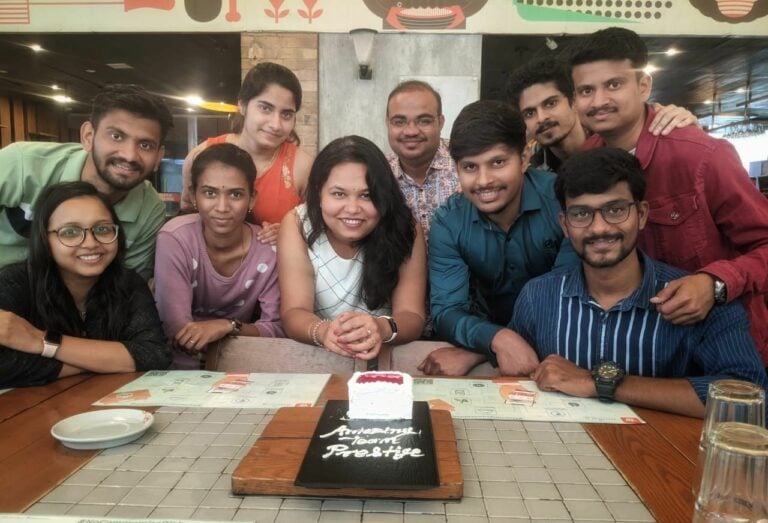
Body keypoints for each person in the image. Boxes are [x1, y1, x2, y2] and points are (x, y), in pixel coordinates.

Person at [511, 148, 767, 417]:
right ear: (564, 224)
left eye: (616, 210)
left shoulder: (697, 300)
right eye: (581, 214)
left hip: (663, 456)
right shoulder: (537, 297)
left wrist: (596, 383)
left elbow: (751, 400)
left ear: (642, 214)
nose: (599, 228)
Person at [569, 27, 768, 366]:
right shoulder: (586, 159)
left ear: (643, 85)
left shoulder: (702, 155)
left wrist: (715, 282)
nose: (599, 100)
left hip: (723, 350)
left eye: (613, 84)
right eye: (586, 90)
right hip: (642, 351)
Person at [423, 100, 579, 377]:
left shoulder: (562, 200)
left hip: (568, 345)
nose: (484, 180)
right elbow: (447, 312)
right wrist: (498, 340)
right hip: (494, 341)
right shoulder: (449, 221)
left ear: (524, 158)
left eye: (497, 162)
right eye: (470, 167)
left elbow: (566, 301)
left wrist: (478, 350)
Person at [0, 182, 172, 388]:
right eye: (70, 232)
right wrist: (105, 362)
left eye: (102, 229)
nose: (90, 242)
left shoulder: (128, 283)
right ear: (44, 238)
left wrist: (40, 340)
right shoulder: (13, 283)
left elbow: (155, 355)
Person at [0, 84, 172, 281]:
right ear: (88, 136)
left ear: (159, 156)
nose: (129, 155)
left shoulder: (149, 210)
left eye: (145, 145)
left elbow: (125, 286)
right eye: (116, 136)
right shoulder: (21, 164)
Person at [278, 135, 426, 361]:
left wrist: (380, 328)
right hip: (316, 357)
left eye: (367, 195)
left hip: (385, 357)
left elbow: (412, 315)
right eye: (339, 194)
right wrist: (325, 332)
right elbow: (294, 312)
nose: (353, 208)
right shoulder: (298, 223)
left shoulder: (405, 227)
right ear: (319, 193)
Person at [154, 143, 283, 370]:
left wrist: (226, 326)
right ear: (194, 195)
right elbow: (176, 331)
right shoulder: (175, 239)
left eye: (235, 194)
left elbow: (276, 328)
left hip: (238, 365)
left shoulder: (268, 250)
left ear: (252, 198)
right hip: (174, 369)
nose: (222, 207)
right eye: (210, 193)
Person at [179, 62, 314, 246]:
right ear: (242, 105)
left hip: (278, 270)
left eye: (287, 114)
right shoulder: (201, 156)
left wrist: (292, 232)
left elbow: (318, 229)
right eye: (265, 108)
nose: (276, 124)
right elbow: (187, 220)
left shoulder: (303, 167)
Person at [506, 56, 697, 173]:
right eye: (530, 113)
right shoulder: (529, 170)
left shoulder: (618, 142)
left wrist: (679, 126)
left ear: (573, 100)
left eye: (551, 103)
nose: (542, 118)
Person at [386, 80, 459, 242]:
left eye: (423, 121)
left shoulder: (466, 162)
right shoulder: (379, 173)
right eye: (399, 122)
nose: (411, 131)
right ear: (387, 124)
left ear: (440, 122)